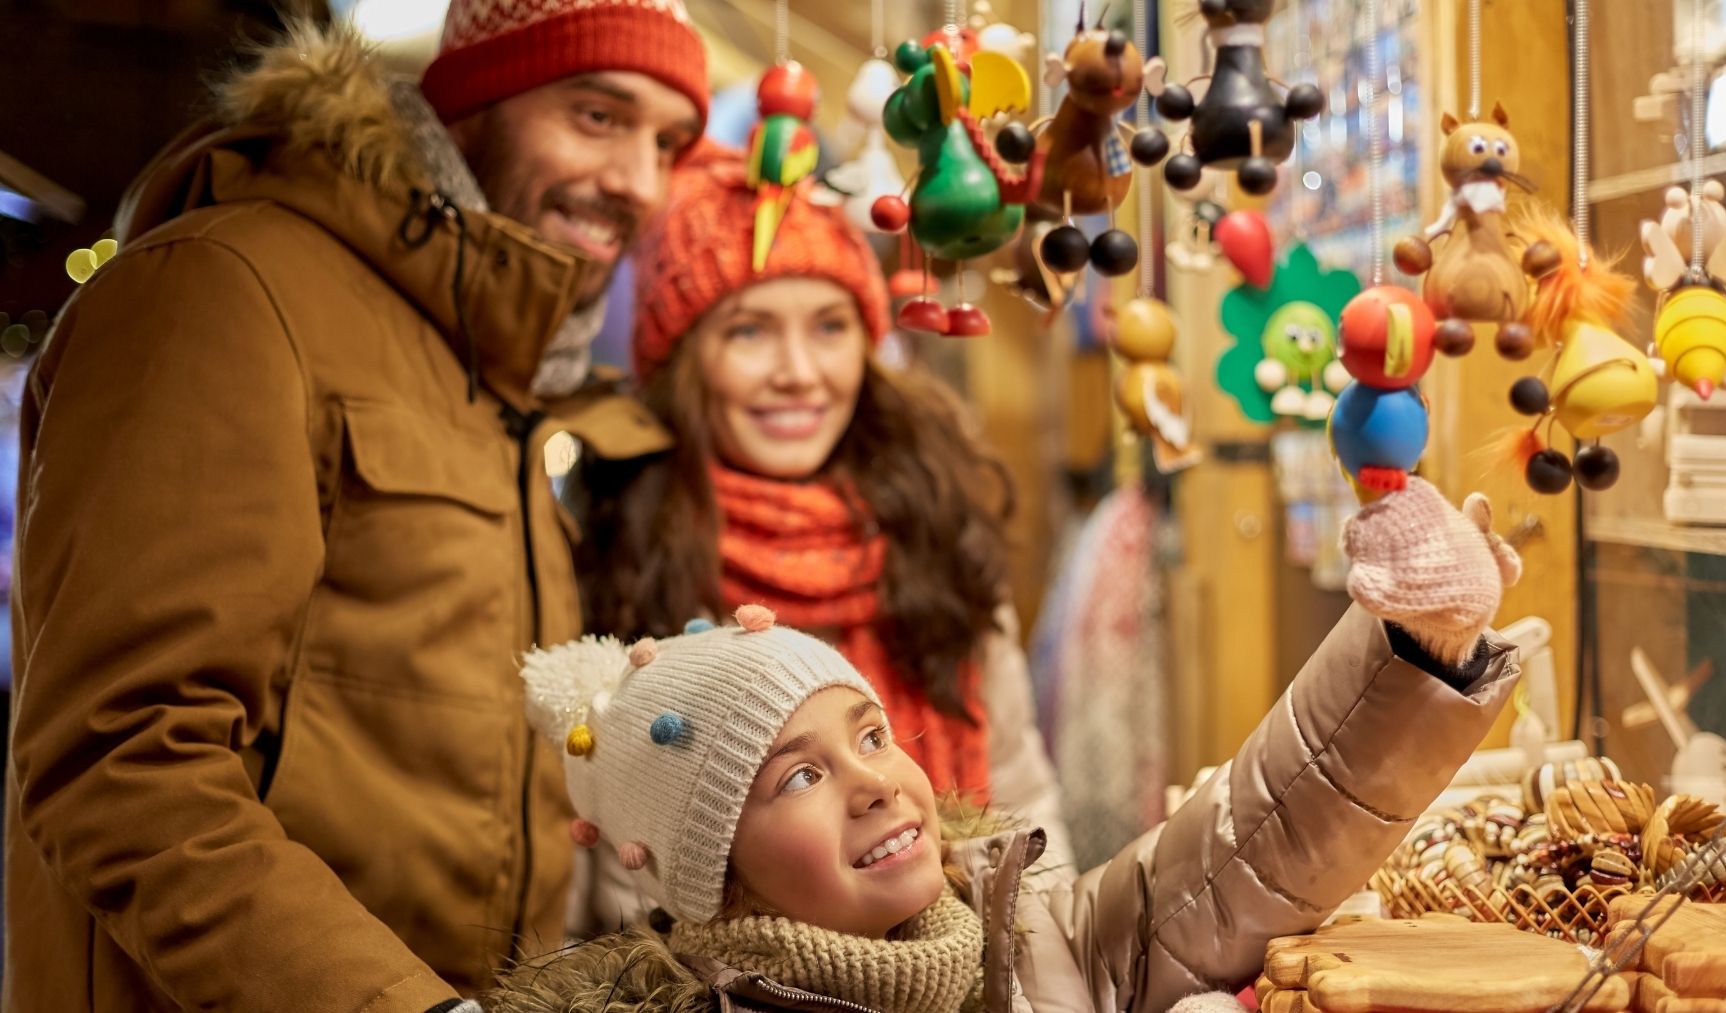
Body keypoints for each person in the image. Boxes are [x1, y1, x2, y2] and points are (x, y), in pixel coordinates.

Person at [4, 1, 709, 1009]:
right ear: (476, 105)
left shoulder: (495, 370)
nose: (639, 181)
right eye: (597, 115)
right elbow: (124, 756)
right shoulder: (224, 289)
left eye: (670, 142)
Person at [496, 479, 1523, 1013]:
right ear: (714, 875)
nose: (872, 783)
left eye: (870, 733)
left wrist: (1410, 651)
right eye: (799, 774)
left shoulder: (1043, 942)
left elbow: (1251, 840)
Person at [567, 145, 1069, 928]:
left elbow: (1020, 793)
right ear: (681, 359)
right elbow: (613, 887)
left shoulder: (931, 518)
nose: (800, 371)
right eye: (750, 332)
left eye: (830, 325)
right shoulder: (624, 552)